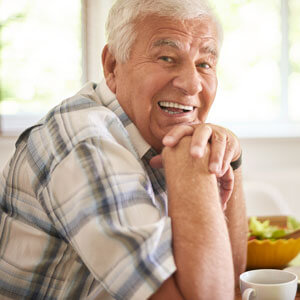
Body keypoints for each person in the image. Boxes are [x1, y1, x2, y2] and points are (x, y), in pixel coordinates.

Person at [0, 0, 248, 299]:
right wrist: (194, 162)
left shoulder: (150, 131)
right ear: (112, 66)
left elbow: (235, 282)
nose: (191, 84)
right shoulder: (85, 140)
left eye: (204, 64)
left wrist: (230, 160)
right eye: (167, 57)